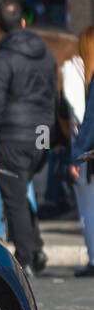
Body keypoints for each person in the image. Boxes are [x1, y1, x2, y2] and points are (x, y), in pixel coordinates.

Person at [0, 0, 55, 276]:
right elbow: (53, 94)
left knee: (13, 197)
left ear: (0, 27)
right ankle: (35, 247)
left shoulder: (3, 57)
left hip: (15, 134)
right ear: (23, 22)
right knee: (25, 191)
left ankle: (26, 256)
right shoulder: (46, 54)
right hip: (42, 133)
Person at [63, 26, 94, 276]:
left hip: (89, 154)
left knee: (88, 209)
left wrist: (78, 154)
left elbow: (88, 119)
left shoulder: (75, 69)